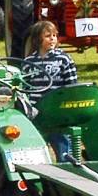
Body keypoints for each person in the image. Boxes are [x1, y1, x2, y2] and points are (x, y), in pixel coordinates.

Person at [23, 21, 80, 159]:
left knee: (63, 147)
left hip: (57, 112)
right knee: (35, 149)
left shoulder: (63, 59)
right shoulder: (29, 61)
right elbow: (25, 87)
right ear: (37, 39)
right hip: (37, 113)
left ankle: (68, 170)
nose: (52, 38)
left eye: (54, 35)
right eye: (48, 35)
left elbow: (72, 85)